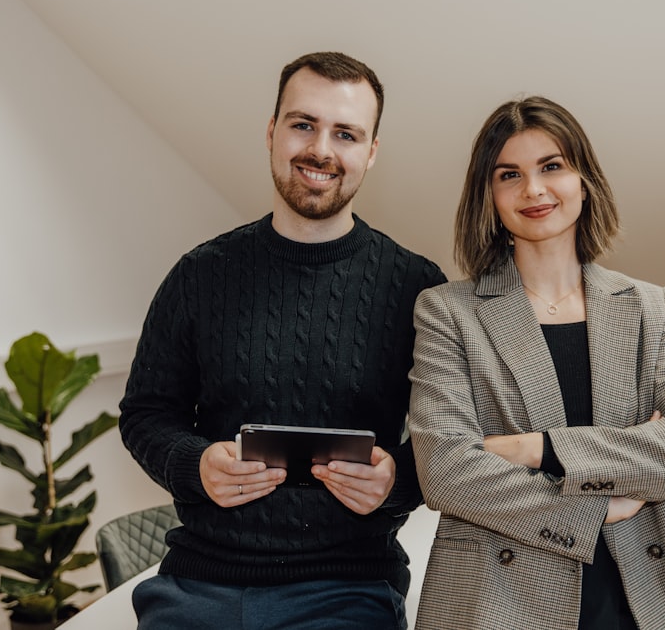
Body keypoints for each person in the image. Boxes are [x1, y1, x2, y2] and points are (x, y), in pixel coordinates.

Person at [119, 51, 445, 630]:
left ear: (370, 153)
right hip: (197, 583)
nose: (321, 149)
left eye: (345, 133)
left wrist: (398, 480)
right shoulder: (200, 274)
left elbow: (454, 440)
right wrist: (196, 464)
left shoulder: (418, 289)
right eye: (303, 124)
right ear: (272, 133)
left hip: (348, 587)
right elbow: (145, 413)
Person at [407, 96, 665, 629]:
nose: (533, 190)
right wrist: (597, 504)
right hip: (499, 597)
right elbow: (445, 472)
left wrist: (538, 449)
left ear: (584, 179)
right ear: (488, 196)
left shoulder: (650, 308)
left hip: (642, 584)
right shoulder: (448, 311)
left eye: (551, 166)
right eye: (509, 174)